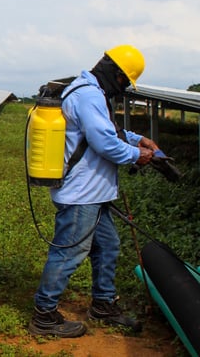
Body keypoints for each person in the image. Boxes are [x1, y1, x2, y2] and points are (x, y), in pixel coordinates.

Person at [29, 44, 160, 337]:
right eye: (125, 82)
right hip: (81, 194)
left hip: (94, 192)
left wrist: (139, 139)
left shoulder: (93, 91)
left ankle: (103, 302)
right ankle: (44, 315)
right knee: (70, 251)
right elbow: (104, 143)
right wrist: (136, 155)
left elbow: (108, 129)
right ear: (115, 73)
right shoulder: (88, 95)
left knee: (108, 246)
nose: (124, 88)